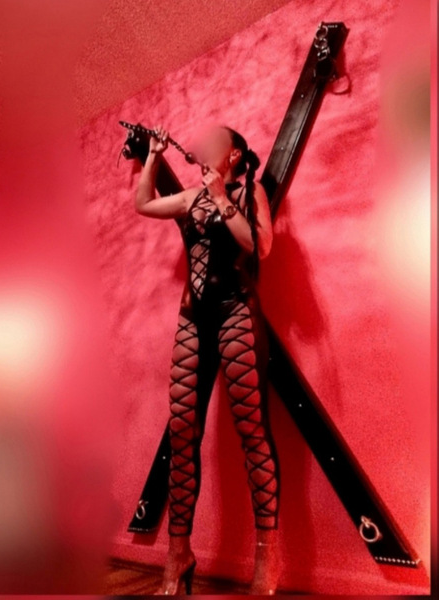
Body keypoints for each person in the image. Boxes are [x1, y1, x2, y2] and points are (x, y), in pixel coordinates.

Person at [134, 123, 281, 595]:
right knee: (182, 433)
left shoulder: (249, 191)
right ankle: (178, 554)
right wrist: (154, 156)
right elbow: (143, 204)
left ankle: (267, 554)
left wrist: (221, 197)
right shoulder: (189, 198)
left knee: (251, 430)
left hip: (237, 310)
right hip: (192, 317)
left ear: (234, 155)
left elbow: (261, 246)